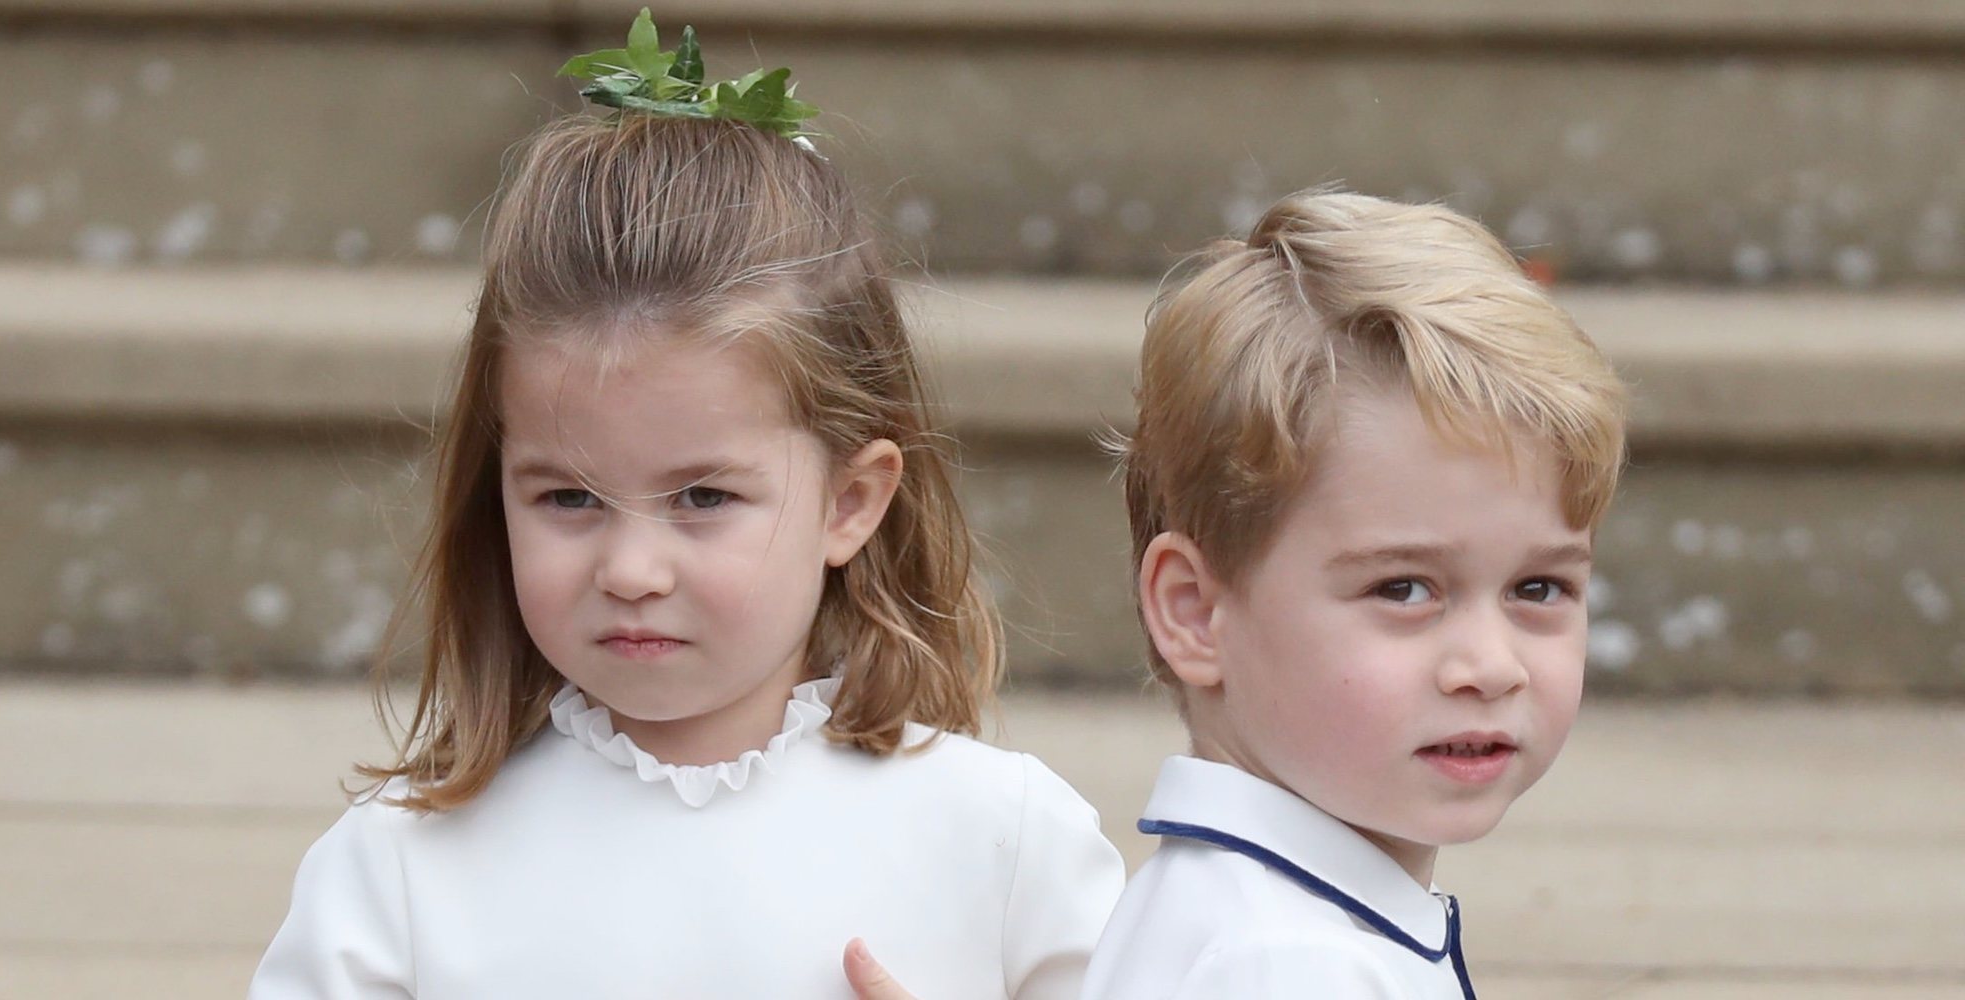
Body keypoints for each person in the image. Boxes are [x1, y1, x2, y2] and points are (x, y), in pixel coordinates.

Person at [249, 15, 1122, 999]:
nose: (629, 569)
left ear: (850, 500)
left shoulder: (1002, 845)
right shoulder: (399, 874)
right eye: (567, 497)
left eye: (702, 496)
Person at [846, 188, 1627, 1000]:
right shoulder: (1287, 963)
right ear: (1194, 611)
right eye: (1404, 589)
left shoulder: (1271, 920)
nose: (1491, 666)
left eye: (1539, 586)